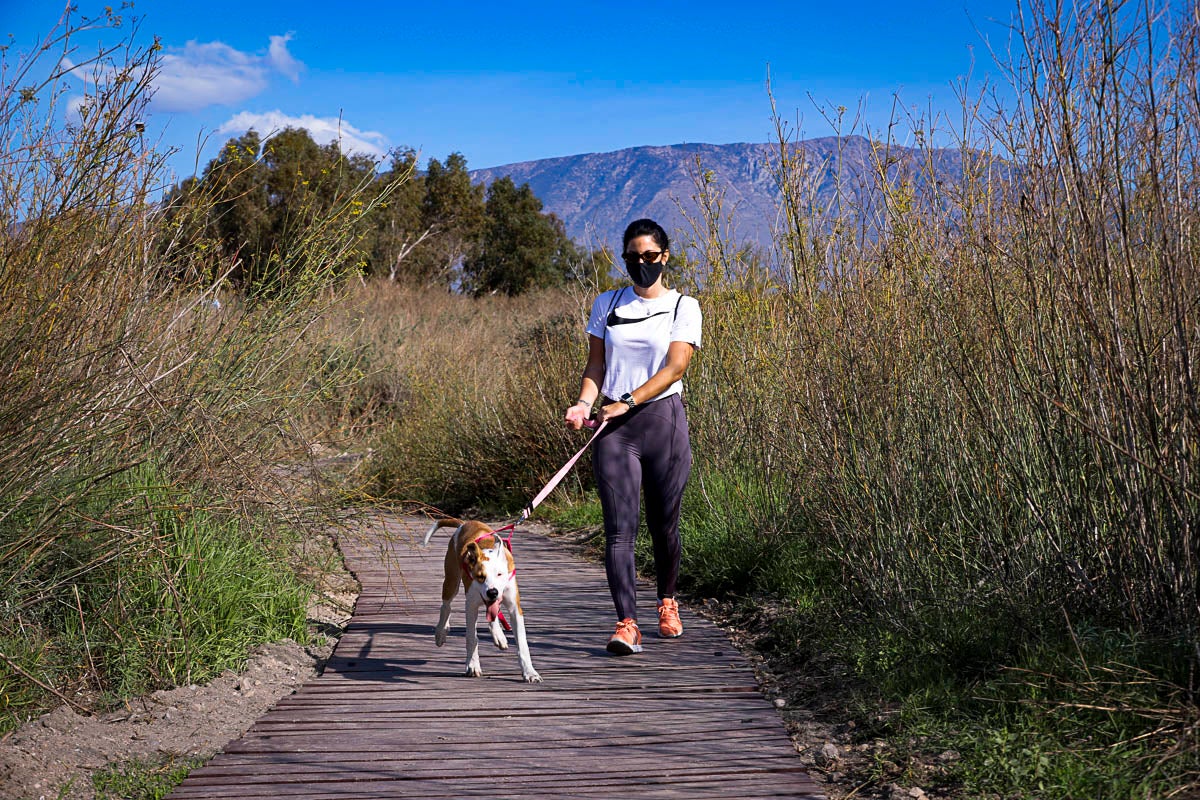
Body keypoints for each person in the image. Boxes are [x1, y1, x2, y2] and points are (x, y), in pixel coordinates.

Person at [564, 218, 702, 655]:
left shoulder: (685, 306)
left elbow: (676, 367)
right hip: (614, 429)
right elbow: (595, 366)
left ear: (664, 256)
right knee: (619, 530)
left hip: (663, 422)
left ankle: (667, 601)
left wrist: (629, 399)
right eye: (632, 258)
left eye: (649, 257)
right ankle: (626, 623)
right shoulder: (607, 302)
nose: (641, 264)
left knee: (664, 526)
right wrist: (584, 404)